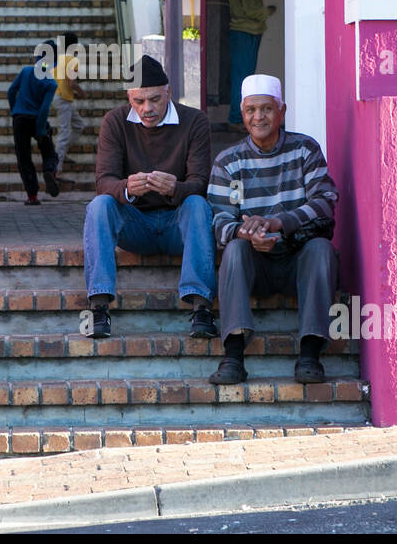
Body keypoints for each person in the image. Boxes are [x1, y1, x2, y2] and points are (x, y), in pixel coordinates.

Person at [206, 75, 339, 385]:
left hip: (298, 260)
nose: (258, 117)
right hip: (255, 266)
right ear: (242, 112)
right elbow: (217, 219)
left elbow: (325, 202)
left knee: (321, 249)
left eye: (267, 109)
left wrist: (278, 222)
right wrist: (246, 233)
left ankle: (310, 354)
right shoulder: (228, 161)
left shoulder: (305, 149)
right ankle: (234, 356)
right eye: (251, 110)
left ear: (282, 111)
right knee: (235, 249)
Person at [84, 55, 216, 339]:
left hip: (177, 225)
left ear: (168, 91)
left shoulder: (195, 121)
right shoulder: (115, 121)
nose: (147, 109)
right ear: (128, 97)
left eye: (155, 99)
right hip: (135, 225)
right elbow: (104, 181)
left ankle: (202, 307)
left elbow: (201, 183)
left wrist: (175, 189)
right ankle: (99, 305)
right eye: (138, 101)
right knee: (99, 205)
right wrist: (128, 189)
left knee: (197, 204)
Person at [227, 0, 276, 132]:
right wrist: (267, 11)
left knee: (242, 75)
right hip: (245, 31)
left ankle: (237, 117)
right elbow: (251, 10)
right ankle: (235, 118)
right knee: (243, 76)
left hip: (246, 31)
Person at [8, 47, 60, 205]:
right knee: (49, 151)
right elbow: (44, 109)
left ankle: (32, 196)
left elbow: (11, 91)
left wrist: (15, 111)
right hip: (38, 119)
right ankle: (49, 170)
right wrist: (40, 130)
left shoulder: (25, 71)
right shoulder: (50, 83)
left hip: (20, 119)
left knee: (23, 158)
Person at [51, 31, 88, 177]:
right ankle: (57, 167)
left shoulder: (57, 59)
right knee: (64, 133)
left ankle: (62, 152)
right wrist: (81, 92)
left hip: (60, 98)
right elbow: (72, 82)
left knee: (79, 125)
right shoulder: (72, 60)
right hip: (63, 100)